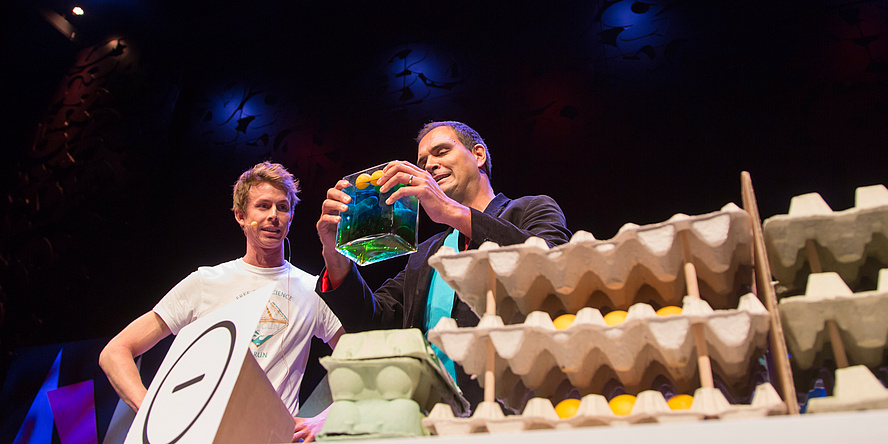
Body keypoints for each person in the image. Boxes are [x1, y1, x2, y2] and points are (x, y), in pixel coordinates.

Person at [315, 121, 571, 410]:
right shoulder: (425, 253)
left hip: (518, 409)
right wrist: (333, 253)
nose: (430, 166)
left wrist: (450, 212)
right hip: (436, 416)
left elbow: (554, 270)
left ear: (478, 155)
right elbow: (372, 323)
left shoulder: (531, 209)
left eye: (441, 152)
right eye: (423, 162)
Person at [99, 161, 344, 442]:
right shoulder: (206, 282)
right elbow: (115, 352)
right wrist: (152, 413)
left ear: (291, 216)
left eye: (283, 207)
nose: (274, 216)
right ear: (241, 215)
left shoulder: (311, 288)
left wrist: (322, 419)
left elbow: (362, 366)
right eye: (263, 206)